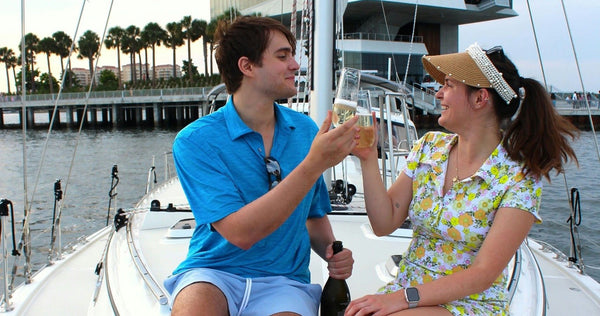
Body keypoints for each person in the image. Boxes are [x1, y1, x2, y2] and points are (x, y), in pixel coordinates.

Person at [345, 43, 579, 315]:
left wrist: (400, 299)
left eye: (449, 85)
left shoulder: (519, 178)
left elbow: (483, 274)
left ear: (480, 99)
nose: (438, 93)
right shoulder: (428, 147)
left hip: (468, 304)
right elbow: (384, 224)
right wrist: (368, 159)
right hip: (407, 292)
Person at [163, 16, 358, 316]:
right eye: (283, 56)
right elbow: (241, 233)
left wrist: (333, 251)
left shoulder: (305, 131)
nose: (296, 65)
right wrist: (314, 163)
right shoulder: (195, 141)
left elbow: (313, 216)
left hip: (284, 283)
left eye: (293, 55)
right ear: (247, 66)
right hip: (213, 274)